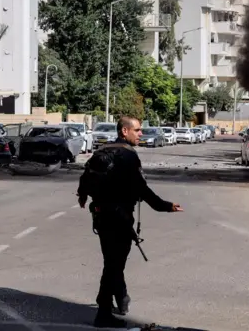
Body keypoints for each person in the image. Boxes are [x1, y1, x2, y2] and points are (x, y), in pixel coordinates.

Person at [77, 116, 183, 328]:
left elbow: (85, 178)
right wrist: (165, 206)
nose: (141, 134)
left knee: (112, 263)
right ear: (124, 131)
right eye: (137, 130)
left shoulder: (102, 151)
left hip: (101, 217)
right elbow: (141, 189)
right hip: (119, 219)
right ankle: (104, 313)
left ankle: (120, 299)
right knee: (113, 266)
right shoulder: (128, 156)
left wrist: (82, 195)